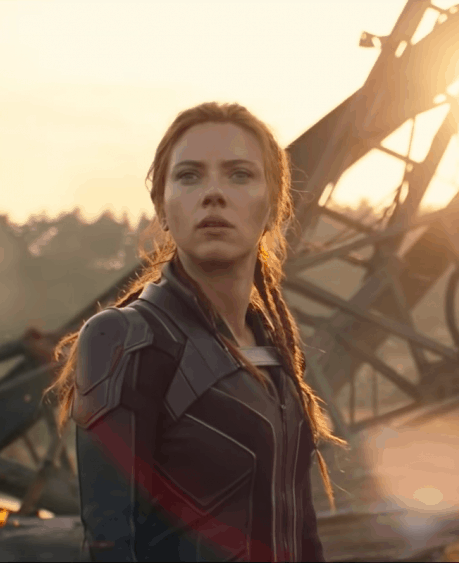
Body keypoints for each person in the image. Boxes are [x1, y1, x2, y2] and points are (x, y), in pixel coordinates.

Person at [47, 102, 345, 562]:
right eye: (189, 176)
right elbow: (110, 546)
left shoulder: (275, 350)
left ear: (273, 206)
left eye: (239, 175)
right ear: (162, 207)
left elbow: (303, 536)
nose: (213, 194)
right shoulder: (126, 340)